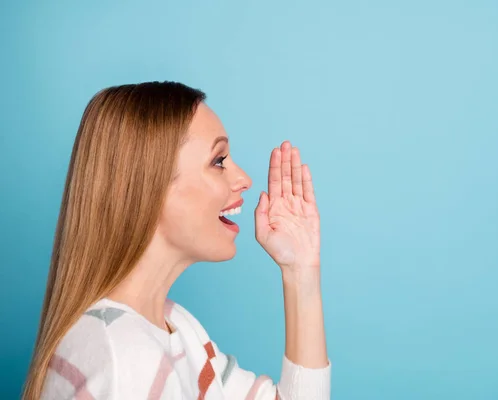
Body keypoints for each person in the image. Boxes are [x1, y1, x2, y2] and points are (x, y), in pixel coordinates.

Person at [22, 81, 331, 399]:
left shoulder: (178, 329)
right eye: (218, 161)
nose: (244, 179)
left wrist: (300, 271)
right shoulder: (123, 357)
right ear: (148, 188)